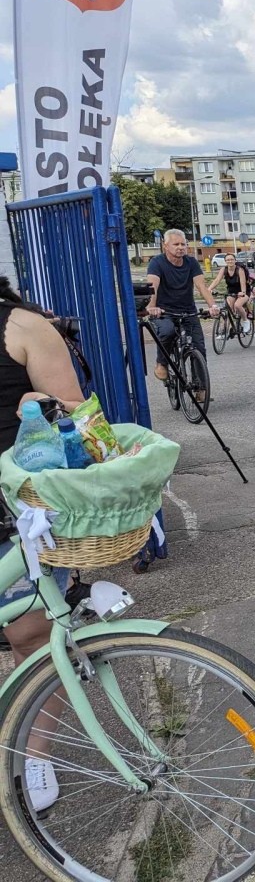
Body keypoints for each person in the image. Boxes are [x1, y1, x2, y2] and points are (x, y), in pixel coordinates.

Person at [0, 275, 86, 812]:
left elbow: (80, 415)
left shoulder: (25, 327)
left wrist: (46, 409)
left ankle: (35, 753)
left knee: (30, 635)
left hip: (15, 509)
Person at [145, 229, 219, 399]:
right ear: (165, 246)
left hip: (188, 311)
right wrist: (152, 307)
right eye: (176, 244)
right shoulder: (157, 263)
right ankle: (162, 363)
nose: (180, 248)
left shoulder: (191, 263)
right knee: (167, 331)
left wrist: (213, 305)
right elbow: (153, 286)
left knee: (199, 347)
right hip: (164, 311)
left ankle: (200, 389)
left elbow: (201, 286)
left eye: (183, 244)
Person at [208, 253, 254, 334]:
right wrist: (209, 289)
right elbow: (217, 280)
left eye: (232, 259)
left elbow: (243, 283)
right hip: (231, 291)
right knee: (228, 309)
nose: (230, 261)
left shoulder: (239, 270)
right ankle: (225, 330)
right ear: (225, 261)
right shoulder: (224, 269)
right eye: (228, 260)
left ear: (235, 260)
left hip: (243, 291)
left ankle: (246, 321)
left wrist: (242, 292)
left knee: (237, 305)